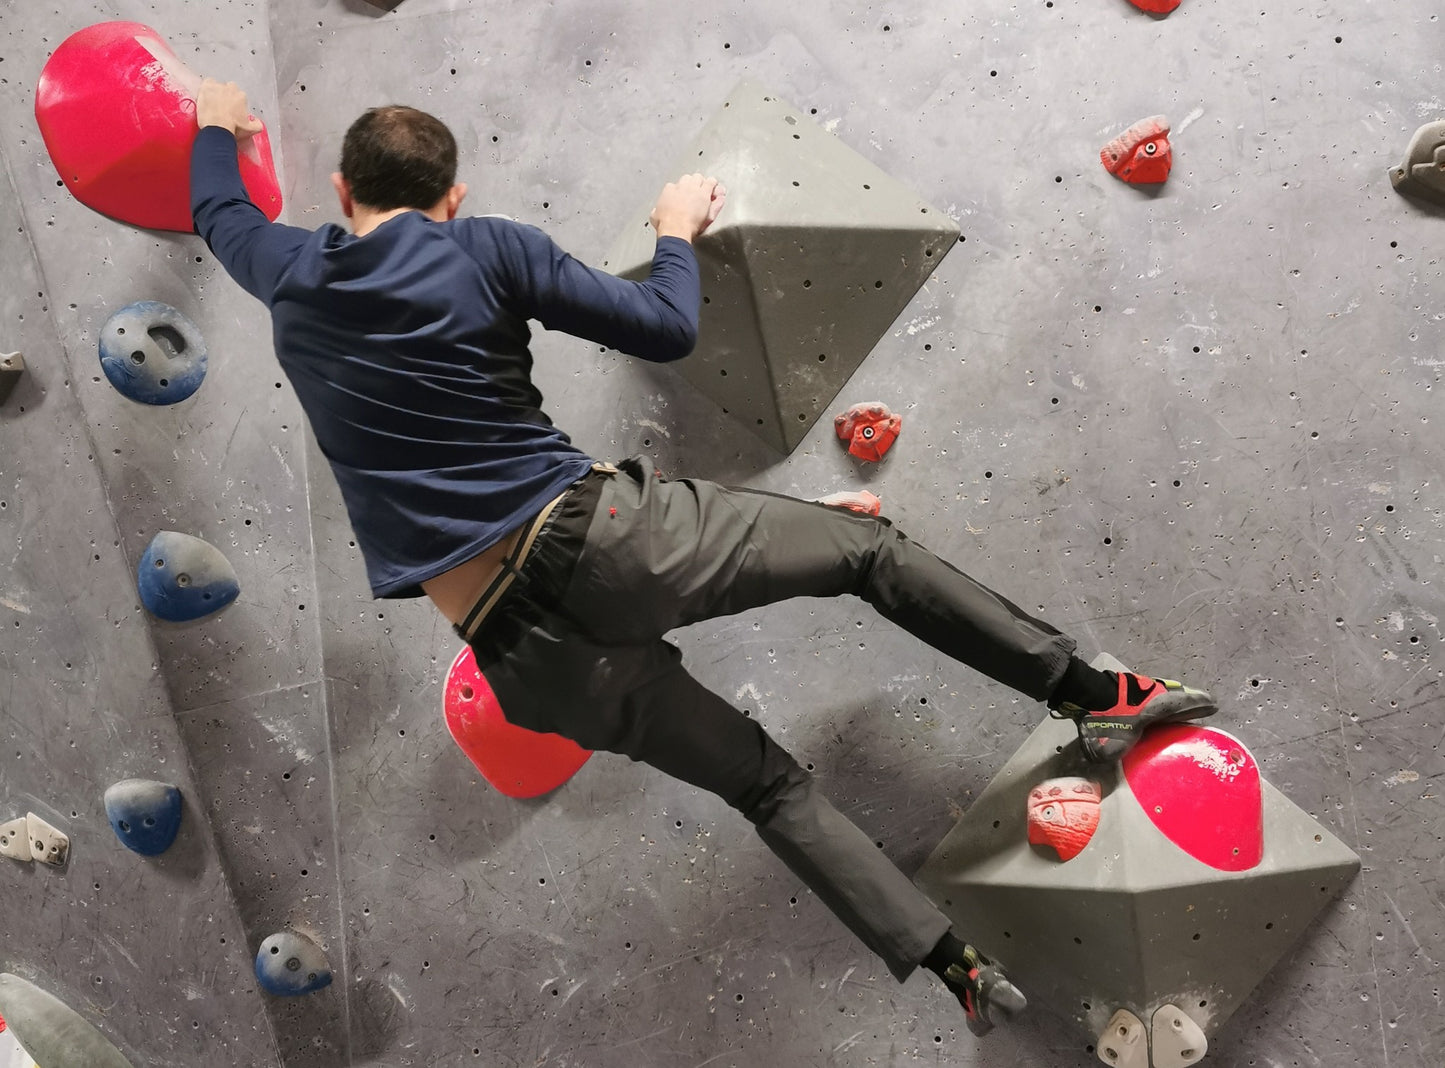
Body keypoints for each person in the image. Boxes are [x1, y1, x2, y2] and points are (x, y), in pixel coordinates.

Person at [189, 79, 1217, 1036]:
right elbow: (667, 328)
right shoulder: (485, 247)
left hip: (517, 657)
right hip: (604, 545)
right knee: (862, 550)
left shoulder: (286, 271)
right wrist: (674, 230)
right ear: (451, 198)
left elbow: (218, 213)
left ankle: (951, 965)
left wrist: (213, 125)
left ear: (340, 190)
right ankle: (1092, 692)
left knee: (764, 787)